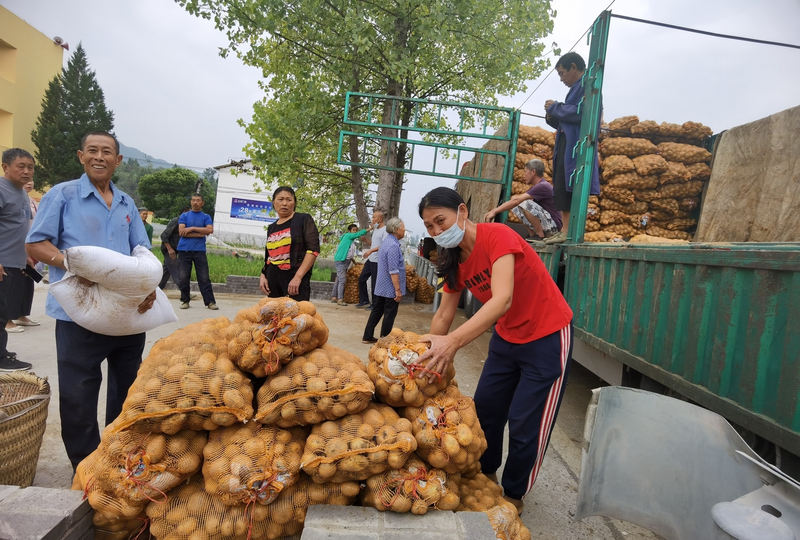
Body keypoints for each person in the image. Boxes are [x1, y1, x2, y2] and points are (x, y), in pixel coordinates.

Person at [416, 187, 573, 514]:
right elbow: (444, 314)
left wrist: (454, 342)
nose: (436, 231)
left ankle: (515, 493)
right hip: (507, 339)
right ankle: (485, 478)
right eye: (429, 226)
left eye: (440, 221)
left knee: (524, 421)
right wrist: (425, 357)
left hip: (546, 335)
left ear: (462, 212)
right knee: (485, 410)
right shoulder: (454, 260)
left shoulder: (498, 236)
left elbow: (502, 300)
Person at [26, 131, 156, 470]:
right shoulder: (63, 195)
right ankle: (85, 467)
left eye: (108, 152)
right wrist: (70, 263)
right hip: (78, 313)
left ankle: (120, 459)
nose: (100, 157)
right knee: (78, 395)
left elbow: (141, 252)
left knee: (128, 391)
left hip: (125, 314)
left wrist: (149, 286)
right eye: (93, 151)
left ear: (118, 160)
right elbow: (36, 244)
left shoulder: (127, 203)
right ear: (81, 156)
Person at [544, 51, 600, 244]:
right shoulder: (577, 87)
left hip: (576, 146)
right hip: (567, 143)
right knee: (561, 185)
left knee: (570, 186)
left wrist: (555, 107)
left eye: (562, 73)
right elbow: (568, 119)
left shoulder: (588, 85)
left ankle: (568, 231)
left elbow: (581, 112)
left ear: (573, 67)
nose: (561, 79)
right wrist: (553, 116)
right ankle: (565, 230)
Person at [0, 149, 35, 372]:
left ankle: (2, 352)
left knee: (5, 312)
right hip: (2, 262)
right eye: (20, 166)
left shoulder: (21, 192)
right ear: (5, 167)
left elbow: (20, 228)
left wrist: (28, 255)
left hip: (15, 261)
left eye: (30, 167)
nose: (26, 171)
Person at [259, 186, 320, 302]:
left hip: (295, 280)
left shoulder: (303, 220)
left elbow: (313, 250)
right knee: (275, 316)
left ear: (294, 203)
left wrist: (298, 277)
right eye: (280, 199)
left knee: (297, 317)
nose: (284, 203)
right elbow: (269, 256)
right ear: (274, 202)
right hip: (272, 280)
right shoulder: (272, 227)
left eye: (289, 200)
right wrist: (263, 274)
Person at [483, 159, 562, 240]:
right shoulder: (537, 187)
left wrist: (494, 211)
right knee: (516, 204)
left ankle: (540, 235)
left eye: (525, 172)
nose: (523, 175)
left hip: (553, 227)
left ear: (533, 172)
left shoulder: (543, 186)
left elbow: (517, 200)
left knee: (524, 203)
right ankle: (532, 234)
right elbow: (515, 201)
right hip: (547, 225)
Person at [361, 217, 407, 344]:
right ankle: (385, 340)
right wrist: (397, 290)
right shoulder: (393, 246)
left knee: (377, 310)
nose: (404, 231)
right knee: (389, 314)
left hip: (382, 285)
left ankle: (367, 335)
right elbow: (393, 270)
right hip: (390, 288)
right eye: (403, 228)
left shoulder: (387, 242)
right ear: (397, 230)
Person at [6, 178, 40, 333]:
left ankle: (21, 314)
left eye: (32, 180)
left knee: (25, 283)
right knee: (10, 286)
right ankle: (7, 320)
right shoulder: (9, 197)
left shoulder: (30, 200)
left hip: (28, 246)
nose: (29, 182)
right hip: (12, 248)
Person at [177, 194, 217, 310]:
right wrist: (200, 234)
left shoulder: (206, 216)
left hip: (199, 251)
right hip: (184, 250)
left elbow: (210, 230)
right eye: (193, 200)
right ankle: (185, 300)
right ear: (191, 202)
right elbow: (181, 232)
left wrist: (192, 228)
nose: (195, 203)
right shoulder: (184, 216)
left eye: (198, 200)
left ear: (202, 203)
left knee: (204, 277)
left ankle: (210, 302)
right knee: (184, 277)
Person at [332, 222, 371, 305]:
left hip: (345, 261)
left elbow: (348, 254)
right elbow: (360, 233)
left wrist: (354, 262)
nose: (355, 232)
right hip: (341, 261)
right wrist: (370, 228)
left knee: (339, 279)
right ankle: (340, 299)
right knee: (342, 280)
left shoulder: (350, 241)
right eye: (353, 230)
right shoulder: (348, 236)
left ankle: (334, 297)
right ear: (349, 231)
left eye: (356, 230)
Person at [356, 210, 387, 309]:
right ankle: (364, 300)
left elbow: (383, 246)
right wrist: (367, 241)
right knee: (361, 279)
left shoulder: (385, 230)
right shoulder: (376, 229)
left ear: (380, 219)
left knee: (375, 283)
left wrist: (370, 251)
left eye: (374, 217)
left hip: (378, 261)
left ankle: (375, 304)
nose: (372, 219)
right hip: (371, 260)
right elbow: (374, 244)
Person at [158, 206, 190, 290]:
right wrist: (169, 249)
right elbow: (164, 235)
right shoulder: (176, 221)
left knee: (167, 270)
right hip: (169, 249)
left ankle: (156, 289)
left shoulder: (186, 223)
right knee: (176, 269)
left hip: (176, 249)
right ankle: (184, 291)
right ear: (184, 213)